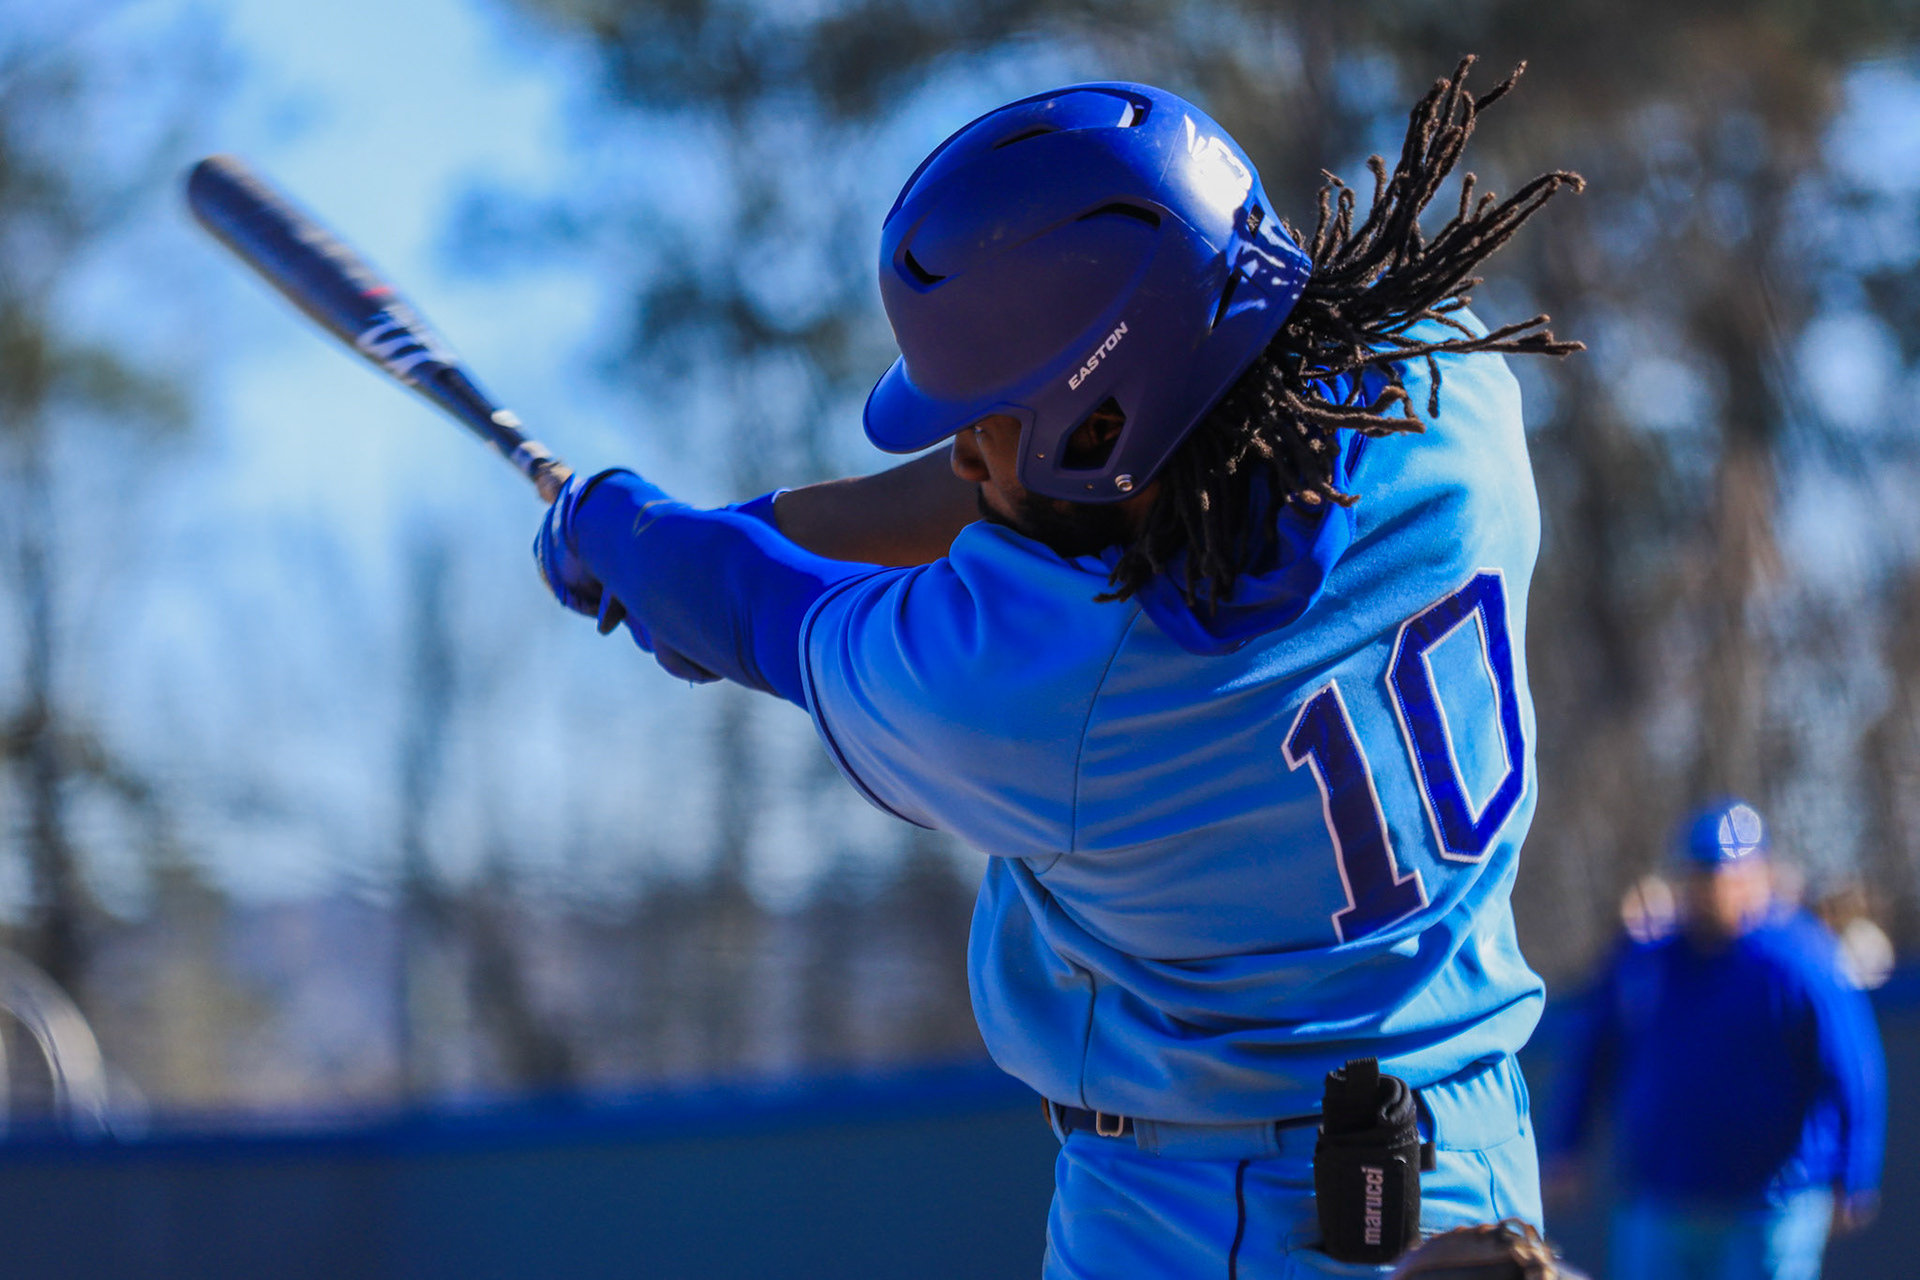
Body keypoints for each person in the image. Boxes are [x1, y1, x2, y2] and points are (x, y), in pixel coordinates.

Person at [535, 61, 1582, 1276]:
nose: (968, 455)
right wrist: (742, 526)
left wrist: (615, 527)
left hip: (1210, 1211)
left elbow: (751, 605)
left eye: (990, 414)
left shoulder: (1052, 688)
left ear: (1105, 428)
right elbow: (1066, 486)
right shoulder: (1453, 397)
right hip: (1479, 1176)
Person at [1541, 800, 1887, 1280]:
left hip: (1769, 1201)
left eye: (1723, 874)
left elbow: (1852, 1069)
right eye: (1699, 874)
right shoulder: (1649, 960)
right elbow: (1596, 1052)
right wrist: (1566, 1146)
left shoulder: (1801, 959)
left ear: (1757, 876)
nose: (1709, 889)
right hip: (1661, 1195)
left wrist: (1856, 1171)